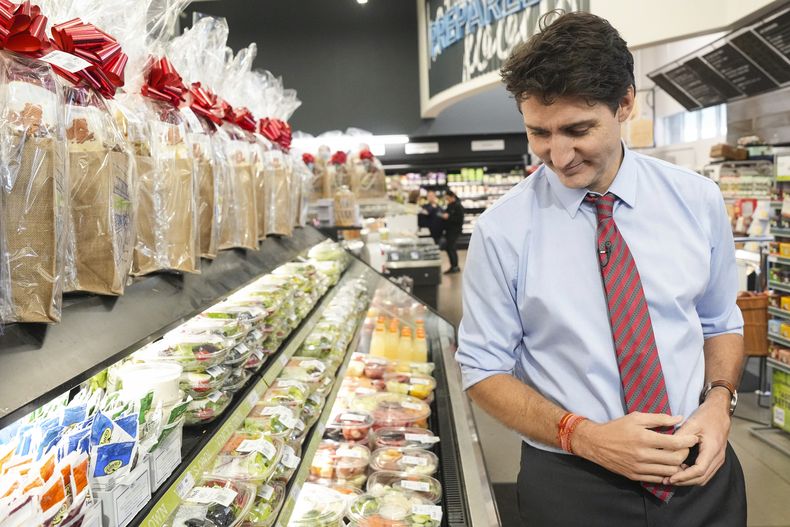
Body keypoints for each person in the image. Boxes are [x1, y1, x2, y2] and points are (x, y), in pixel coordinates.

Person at [454, 11, 746, 527]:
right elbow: (483, 369)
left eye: (577, 129)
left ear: (625, 103)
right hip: (571, 483)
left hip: (700, 472)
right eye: (538, 133)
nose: (558, 155)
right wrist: (584, 435)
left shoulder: (697, 201)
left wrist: (719, 404)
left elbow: (720, 323)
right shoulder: (503, 231)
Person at [441, 190, 464, 274]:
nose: (447, 200)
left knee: (451, 247)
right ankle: (453, 266)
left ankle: (455, 266)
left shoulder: (458, 206)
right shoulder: (450, 205)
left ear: (452, 197)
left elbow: (459, 219)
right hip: (449, 230)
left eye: (448, 198)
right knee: (449, 248)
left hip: (454, 231)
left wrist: (448, 217)